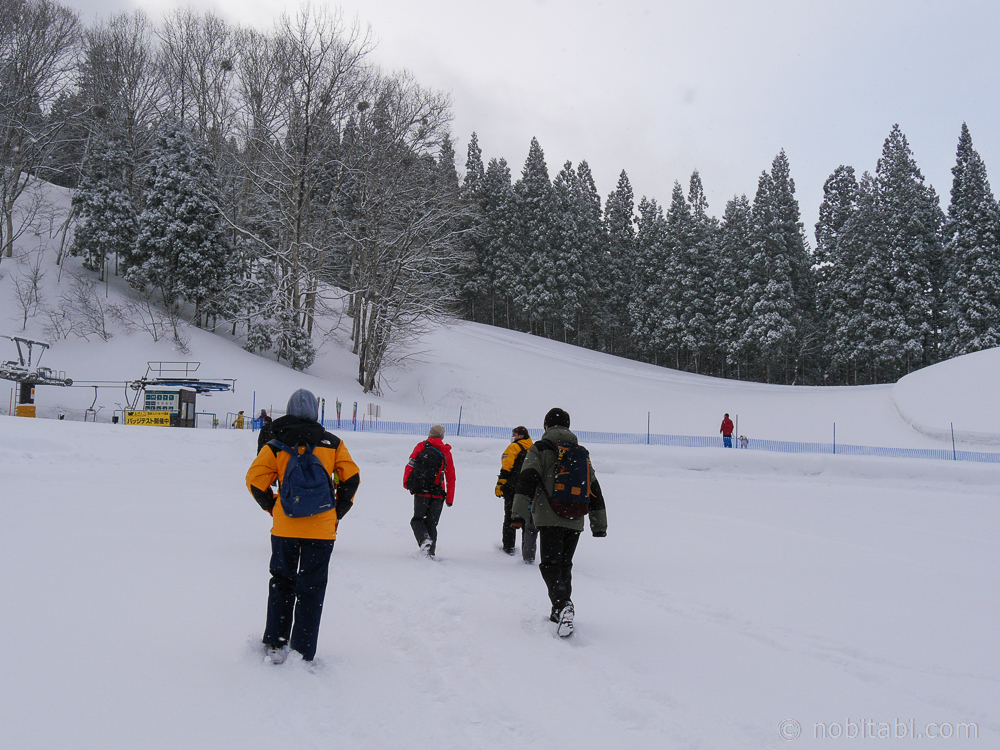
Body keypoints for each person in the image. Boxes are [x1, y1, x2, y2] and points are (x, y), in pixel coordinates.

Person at [245, 389, 360, 665]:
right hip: (321, 529)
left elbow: (254, 479)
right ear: (315, 413)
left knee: (281, 582)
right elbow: (352, 479)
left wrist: (273, 506)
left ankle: (276, 642)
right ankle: (304, 650)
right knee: (312, 588)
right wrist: (337, 512)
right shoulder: (333, 443)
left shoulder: (275, 443)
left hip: (285, 526)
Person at [511, 408, 607, 637]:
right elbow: (594, 488)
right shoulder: (580, 451)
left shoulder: (540, 448)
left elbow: (527, 479)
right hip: (575, 516)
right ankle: (559, 612)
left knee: (550, 565)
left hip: (549, 515)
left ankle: (564, 605)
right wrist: (599, 524)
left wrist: (517, 515)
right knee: (565, 565)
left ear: (546, 426)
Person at [403, 424, 456, 558]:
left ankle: (424, 540)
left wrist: (406, 483)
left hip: (422, 491)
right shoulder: (446, 452)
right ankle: (430, 553)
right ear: (442, 436)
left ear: (430, 434)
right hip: (438, 492)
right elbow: (451, 476)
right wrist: (450, 498)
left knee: (417, 520)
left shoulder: (421, 446)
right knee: (432, 523)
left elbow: (411, 464)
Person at [495, 426, 536, 562]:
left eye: (515, 434)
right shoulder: (533, 448)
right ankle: (527, 550)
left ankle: (509, 547)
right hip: (530, 488)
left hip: (513, 487)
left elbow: (507, 466)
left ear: (520, 436)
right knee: (527, 520)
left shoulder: (514, 447)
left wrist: (501, 483)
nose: (513, 436)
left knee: (510, 517)